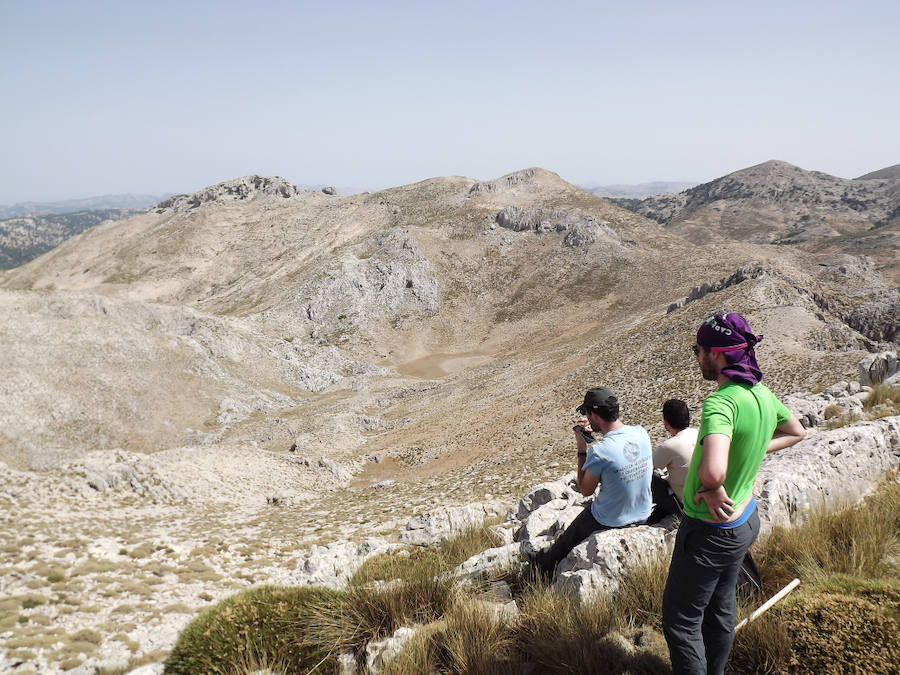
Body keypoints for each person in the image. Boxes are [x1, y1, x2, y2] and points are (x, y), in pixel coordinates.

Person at [662, 313, 806, 675]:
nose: (696, 357)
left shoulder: (721, 403)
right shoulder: (762, 393)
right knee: (722, 607)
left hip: (709, 530)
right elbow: (796, 431)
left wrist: (711, 486)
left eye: (699, 350)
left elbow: (713, 471)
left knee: (681, 621)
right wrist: (755, 451)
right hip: (744, 519)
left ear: (717, 354)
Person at [534, 386, 652, 580]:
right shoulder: (641, 432)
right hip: (643, 513)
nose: (587, 418)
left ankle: (542, 570)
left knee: (569, 536)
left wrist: (582, 448)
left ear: (594, 415)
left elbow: (585, 490)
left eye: (587, 413)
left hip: (612, 519)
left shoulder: (600, 451)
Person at [647, 399, 698, 525]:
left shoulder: (668, 446)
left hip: (685, 504)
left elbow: (647, 469)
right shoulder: (698, 433)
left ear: (666, 421)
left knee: (651, 480)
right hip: (703, 497)